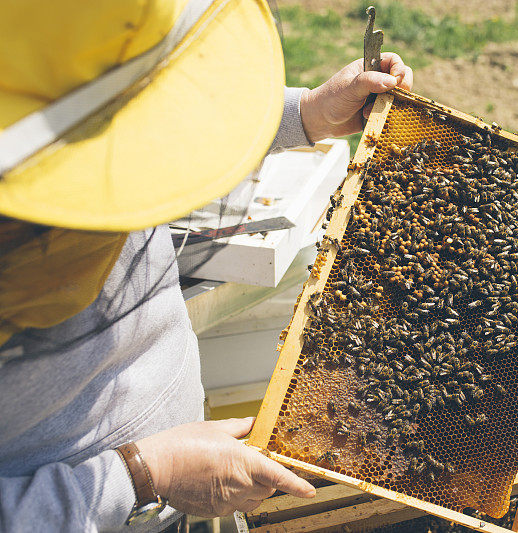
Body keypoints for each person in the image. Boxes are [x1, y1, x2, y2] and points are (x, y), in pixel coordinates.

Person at [0, 0, 412, 531]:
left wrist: (304, 114)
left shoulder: (51, 70)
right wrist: (146, 474)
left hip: (190, 493)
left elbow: (137, 129)